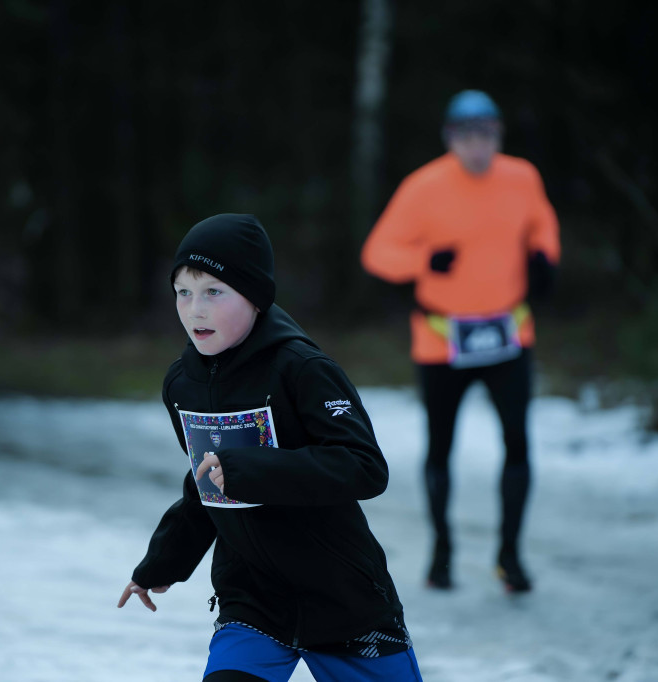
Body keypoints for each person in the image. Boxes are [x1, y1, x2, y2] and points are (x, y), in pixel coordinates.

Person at [118, 213, 423, 682]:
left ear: (256, 298)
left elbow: (364, 467)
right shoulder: (183, 384)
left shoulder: (301, 368)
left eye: (213, 292)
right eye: (183, 292)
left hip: (342, 602)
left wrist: (251, 468)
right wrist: (164, 561)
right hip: (253, 602)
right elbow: (205, 482)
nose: (195, 309)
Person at [360, 90, 561, 593]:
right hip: (442, 340)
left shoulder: (522, 177)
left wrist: (543, 254)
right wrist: (424, 262)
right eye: (467, 137)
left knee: (517, 443)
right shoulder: (423, 186)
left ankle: (510, 557)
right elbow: (377, 252)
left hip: (508, 335)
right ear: (451, 138)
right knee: (440, 448)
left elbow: (543, 224)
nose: (478, 147)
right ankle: (441, 553)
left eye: (487, 136)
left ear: (499, 136)